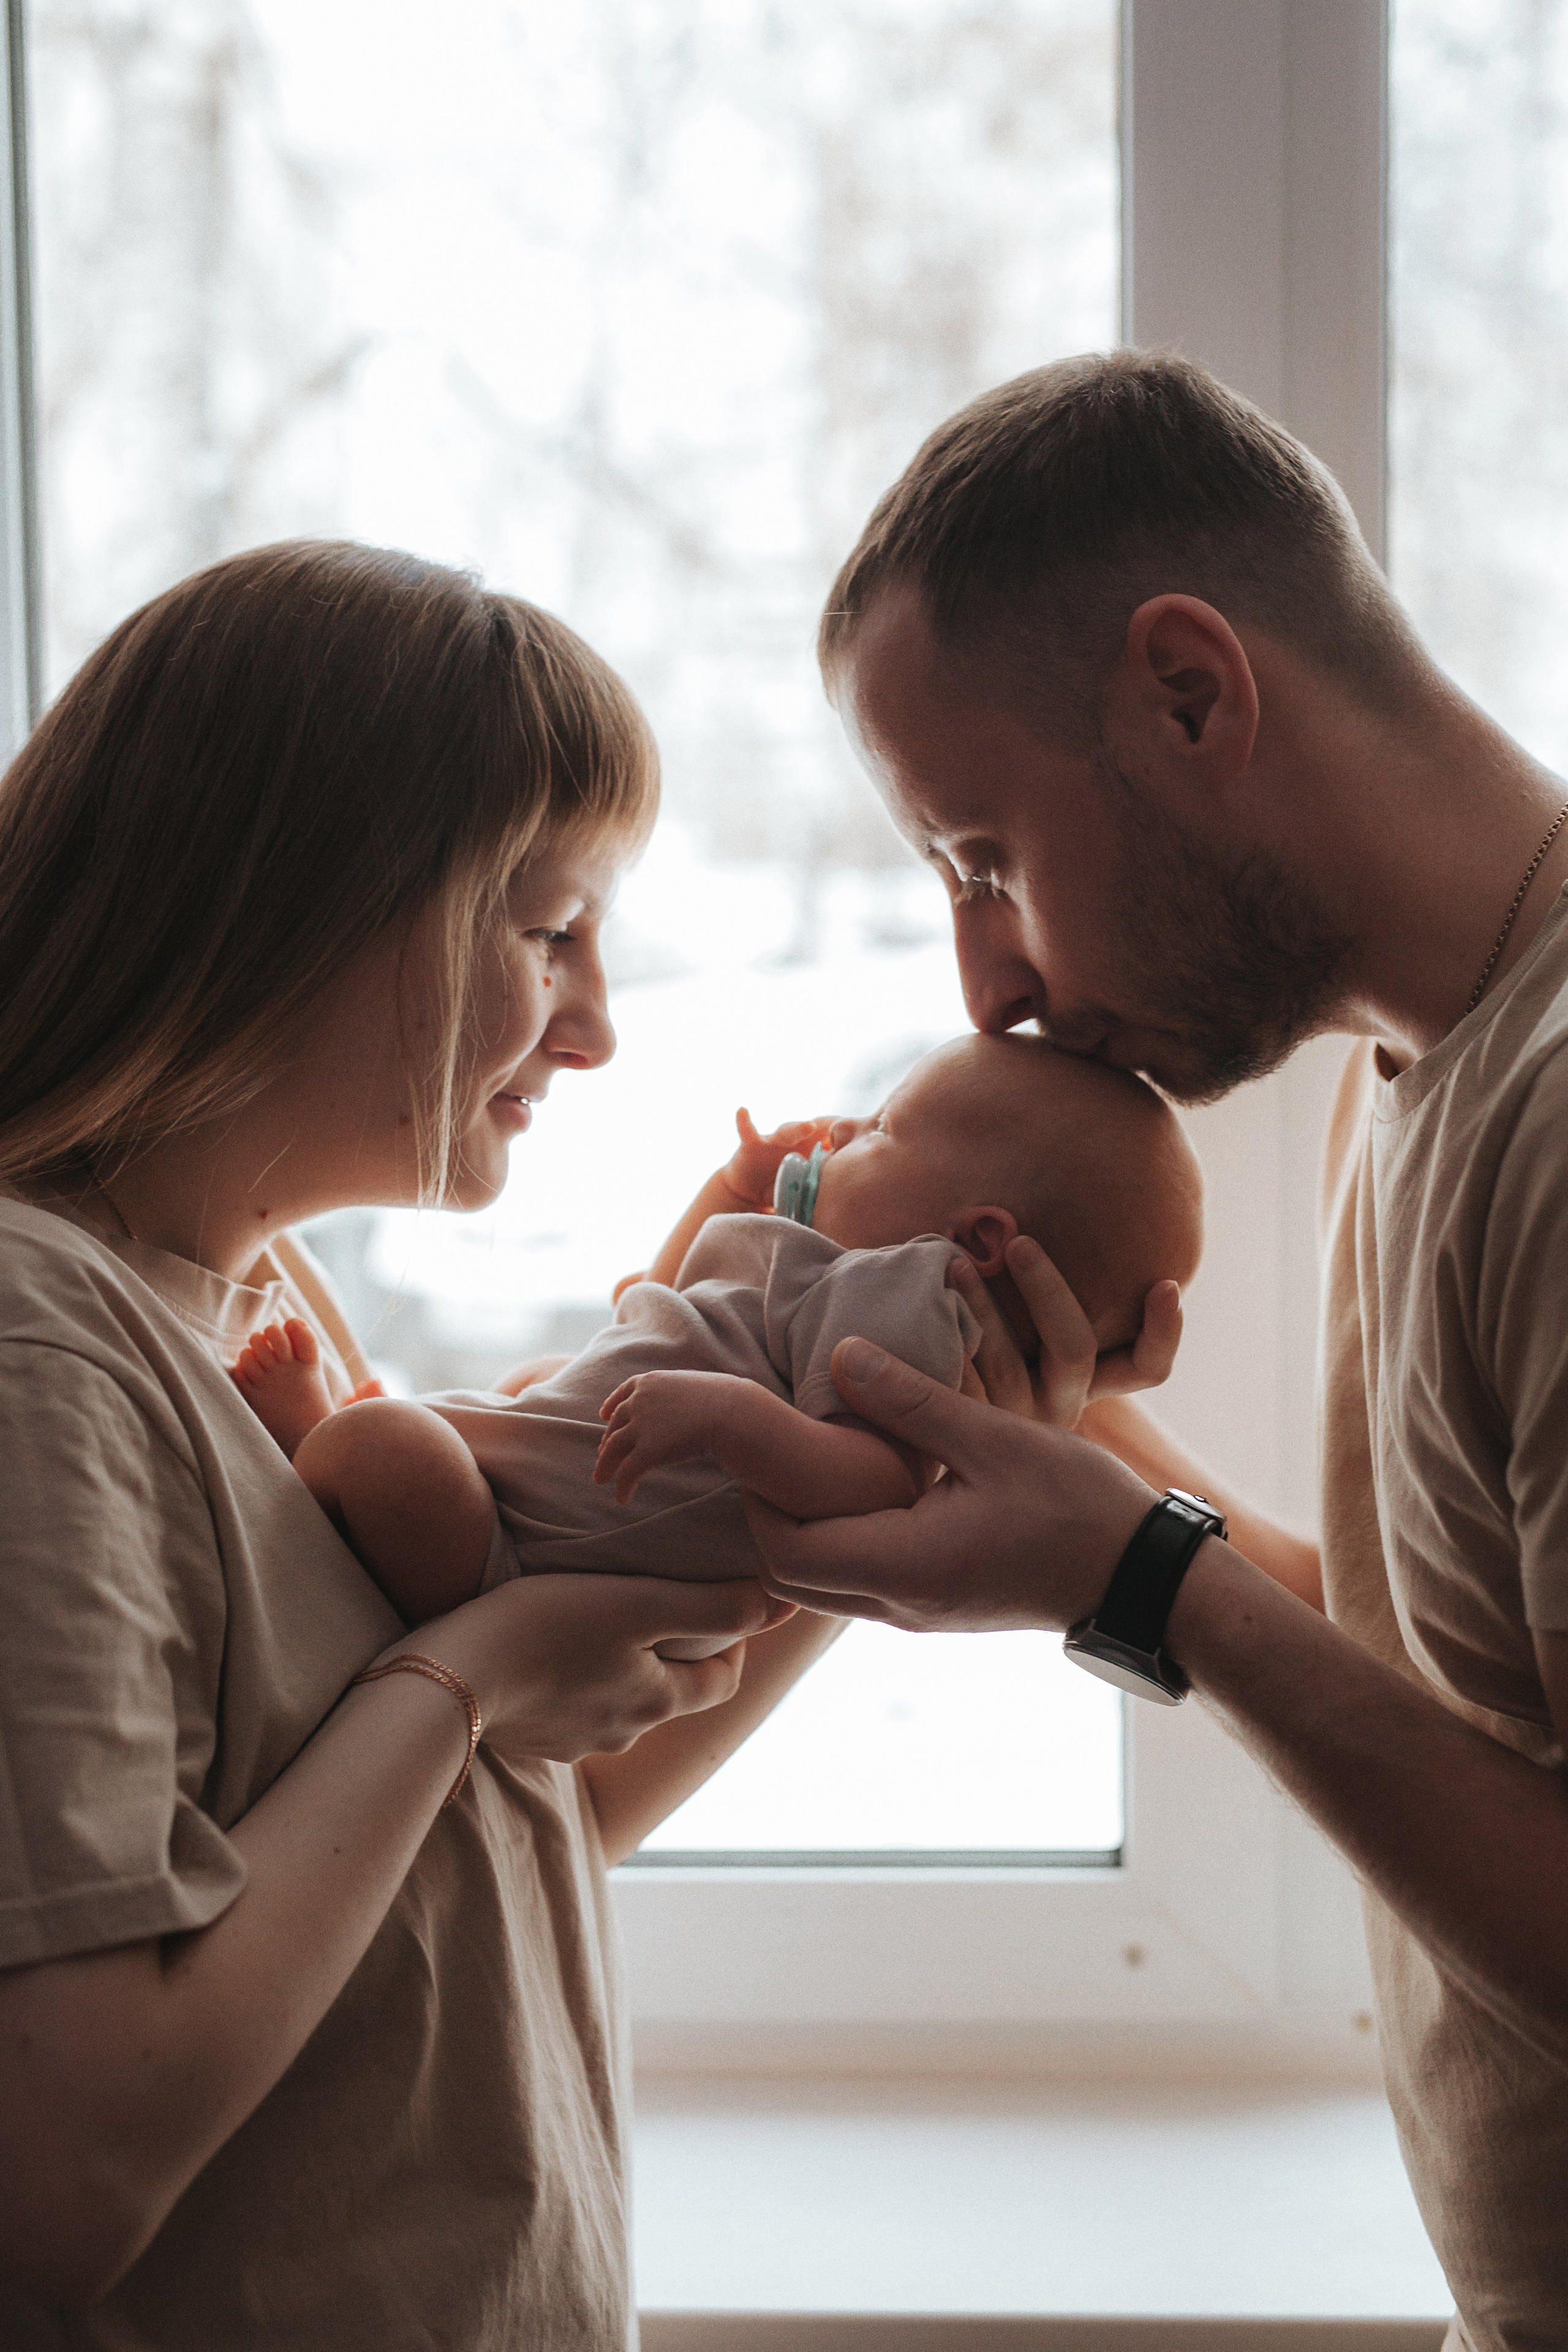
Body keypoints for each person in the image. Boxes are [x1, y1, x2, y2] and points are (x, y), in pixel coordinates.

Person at [739, 350, 1568, 2352]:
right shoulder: (1417, 1073)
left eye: (985, 858)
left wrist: (1131, 1574)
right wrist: (1103, 1469)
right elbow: (1458, 1693)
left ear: (1191, 692)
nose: (987, 982)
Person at [0, 539, 851, 2350]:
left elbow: (496, 1821)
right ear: (298, 906)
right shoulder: (35, 1350)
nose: (600, 1026)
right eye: (550, 932)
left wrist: (837, 1490)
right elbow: (64, 2176)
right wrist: (470, 1672)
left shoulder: (244, 1288)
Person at [230, 1031, 1202, 1630]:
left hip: (531, 1565)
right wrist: (730, 1191)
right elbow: (656, 1304)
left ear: (976, 1241)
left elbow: (878, 1480)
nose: (840, 1137)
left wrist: (734, 1421)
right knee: (539, 1377)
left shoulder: (907, 1293)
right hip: (548, 1503)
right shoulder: (823, 1273)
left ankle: (328, 1444)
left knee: (392, 1449)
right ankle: (376, 1462)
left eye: (880, 1131)